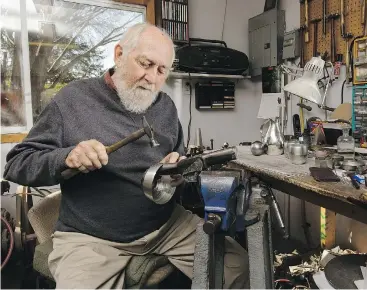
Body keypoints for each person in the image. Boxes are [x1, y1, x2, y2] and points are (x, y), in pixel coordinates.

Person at [3, 23, 249, 289]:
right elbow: (17, 163)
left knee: (237, 266)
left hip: (166, 226)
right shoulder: (72, 100)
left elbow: (177, 155)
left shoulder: (165, 107)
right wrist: (67, 157)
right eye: (145, 64)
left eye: (161, 70)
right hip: (92, 237)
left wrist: (175, 167)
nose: (152, 78)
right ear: (119, 54)